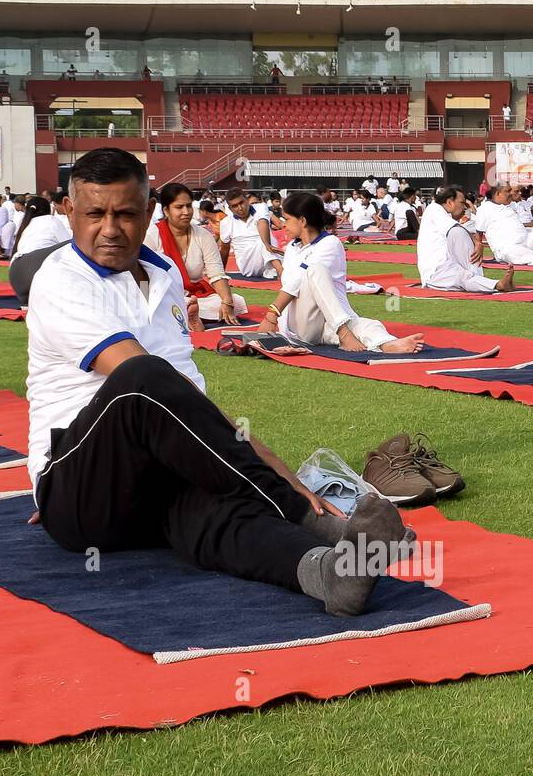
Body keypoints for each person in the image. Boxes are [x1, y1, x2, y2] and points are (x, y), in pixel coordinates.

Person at [25, 147, 412, 612]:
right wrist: (277, 479)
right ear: (69, 212)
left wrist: (273, 464)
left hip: (152, 486)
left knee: (217, 512)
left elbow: (184, 401)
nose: (109, 229)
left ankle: (330, 575)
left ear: (149, 212)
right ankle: (306, 519)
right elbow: (147, 384)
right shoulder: (60, 279)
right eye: (94, 214)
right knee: (142, 376)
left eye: (126, 214)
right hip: (82, 489)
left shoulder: (164, 273)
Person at [256, 192, 423, 354]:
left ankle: (388, 344)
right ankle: (344, 333)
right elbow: (296, 281)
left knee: (368, 326)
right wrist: (273, 314)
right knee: (314, 270)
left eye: (288, 219)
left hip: (329, 321)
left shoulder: (330, 243)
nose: (283, 224)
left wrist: (272, 313)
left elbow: (300, 278)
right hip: (301, 324)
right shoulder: (292, 248)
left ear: (303, 221)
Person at [143, 181, 246, 326]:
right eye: (179, 207)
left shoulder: (203, 235)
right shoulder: (152, 235)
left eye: (188, 206)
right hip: (163, 295)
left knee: (235, 302)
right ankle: (187, 315)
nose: (186, 212)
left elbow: (216, 274)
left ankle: (186, 315)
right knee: (161, 304)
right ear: (166, 211)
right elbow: (142, 276)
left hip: (196, 297)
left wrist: (227, 301)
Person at [417, 186, 517, 294]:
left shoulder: (440, 213)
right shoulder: (434, 209)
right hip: (435, 272)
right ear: (450, 202)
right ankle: (498, 285)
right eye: (462, 203)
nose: (465, 208)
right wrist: (477, 242)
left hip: (446, 267)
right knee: (463, 274)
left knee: (464, 276)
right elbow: (456, 229)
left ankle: (491, 283)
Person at [472, 183, 533, 265]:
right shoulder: (484, 209)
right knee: (510, 252)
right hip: (508, 247)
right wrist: (479, 247)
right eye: (508, 191)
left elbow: (518, 200)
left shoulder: (510, 205)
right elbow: (479, 232)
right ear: (498, 194)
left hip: (527, 241)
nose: (511, 193)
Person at [219, 189, 282, 280]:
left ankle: (279, 269)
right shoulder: (226, 222)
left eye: (241, 203)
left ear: (247, 200)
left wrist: (267, 245)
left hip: (270, 255)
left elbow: (263, 223)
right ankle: (280, 271)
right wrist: (220, 273)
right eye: (235, 206)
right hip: (249, 265)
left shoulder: (261, 207)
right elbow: (225, 249)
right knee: (263, 241)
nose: (240, 208)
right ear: (230, 209)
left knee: (266, 238)